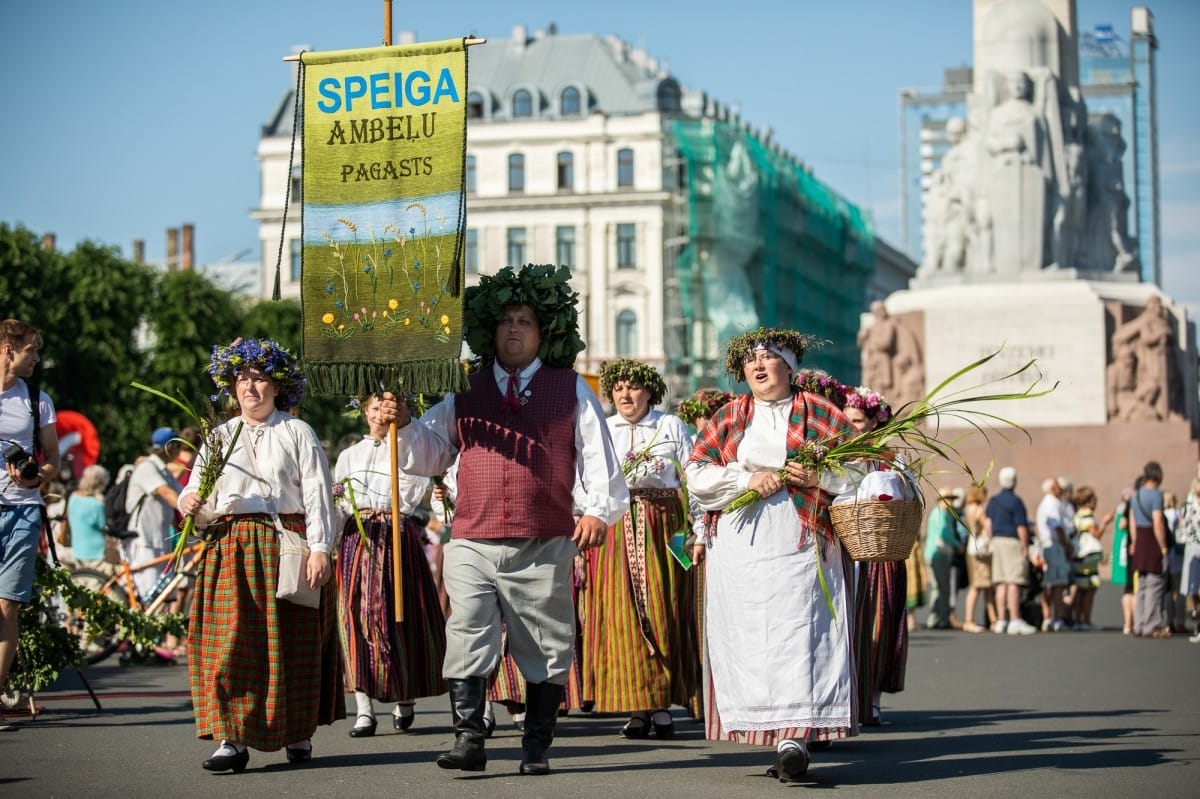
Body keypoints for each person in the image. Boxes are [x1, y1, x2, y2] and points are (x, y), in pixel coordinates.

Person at [377, 264, 629, 776]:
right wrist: (403, 424)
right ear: (491, 330)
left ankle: (535, 746)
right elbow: (430, 454)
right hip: (472, 538)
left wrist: (599, 512)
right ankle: (469, 739)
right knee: (467, 631)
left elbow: (599, 457)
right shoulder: (464, 388)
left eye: (526, 321)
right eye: (506, 320)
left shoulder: (571, 388)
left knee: (547, 645)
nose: (514, 328)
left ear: (544, 333)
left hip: (544, 540)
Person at [685, 327, 858, 785]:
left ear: (790, 366)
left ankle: (794, 740)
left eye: (768, 357)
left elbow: (858, 473)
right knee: (752, 636)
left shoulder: (819, 412)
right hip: (741, 552)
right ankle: (769, 729)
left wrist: (817, 475)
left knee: (799, 631)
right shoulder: (728, 415)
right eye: (751, 360)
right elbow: (697, 476)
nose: (759, 366)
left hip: (800, 546)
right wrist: (746, 481)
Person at [178, 338, 343, 771]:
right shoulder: (219, 436)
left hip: (286, 543)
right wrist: (192, 505)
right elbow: (200, 494)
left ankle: (298, 731)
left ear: (278, 386)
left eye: (260, 378)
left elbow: (316, 494)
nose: (250, 387)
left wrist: (320, 548)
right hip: (231, 545)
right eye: (242, 379)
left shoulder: (297, 431)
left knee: (290, 642)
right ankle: (231, 739)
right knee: (230, 643)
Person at [587, 358, 698, 739]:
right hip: (616, 528)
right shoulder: (603, 428)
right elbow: (586, 479)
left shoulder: (670, 426)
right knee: (622, 615)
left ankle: (663, 703)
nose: (624, 394)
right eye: (618, 389)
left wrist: (695, 531)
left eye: (632, 387)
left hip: (665, 527)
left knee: (666, 607)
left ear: (650, 391)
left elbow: (693, 478)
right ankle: (636, 707)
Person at [333, 393, 447, 738]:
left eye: (387, 407)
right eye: (374, 408)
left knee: (404, 613)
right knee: (356, 616)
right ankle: (364, 708)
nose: (381, 414)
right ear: (365, 413)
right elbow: (338, 501)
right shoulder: (350, 455)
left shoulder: (409, 451)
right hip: (359, 536)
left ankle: (404, 695)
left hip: (397, 534)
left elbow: (416, 488)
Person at [0, 320, 61, 732]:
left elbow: (54, 460)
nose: (37, 358)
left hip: (22, 509)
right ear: (8, 350)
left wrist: (36, 476)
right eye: (31, 350)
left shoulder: (37, 399)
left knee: (7, 606)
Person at [843, 385, 908, 726]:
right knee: (846, 628)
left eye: (857, 420)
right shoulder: (836, 453)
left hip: (878, 551)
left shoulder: (889, 457)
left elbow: (903, 496)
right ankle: (847, 699)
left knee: (878, 626)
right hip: (845, 546)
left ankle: (874, 698)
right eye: (848, 419)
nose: (851, 425)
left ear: (873, 422)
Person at [124, 427, 184, 602]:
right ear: (170, 447)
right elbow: (166, 492)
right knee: (148, 597)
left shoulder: (163, 470)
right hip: (144, 541)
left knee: (164, 595)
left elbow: (181, 494)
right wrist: (189, 511)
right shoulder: (147, 467)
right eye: (177, 446)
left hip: (160, 539)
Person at [984, 466, 1037, 635]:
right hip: (1011, 541)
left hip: (997, 541)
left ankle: (1001, 620)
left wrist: (991, 539)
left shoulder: (993, 501)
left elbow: (988, 523)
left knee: (1001, 582)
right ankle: (1015, 619)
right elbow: (1021, 526)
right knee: (1014, 581)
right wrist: (1024, 545)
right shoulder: (1016, 501)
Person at [1129, 461, 1171, 638]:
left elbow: (1132, 520)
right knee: (1155, 584)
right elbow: (1158, 522)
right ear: (1158, 476)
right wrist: (1163, 547)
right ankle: (1151, 625)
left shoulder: (1136, 495)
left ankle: (1139, 623)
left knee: (1143, 585)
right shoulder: (1155, 496)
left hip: (1139, 540)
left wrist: (1134, 541)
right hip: (1152, 542)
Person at [1034, 477, 1073, 631]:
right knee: (1057, 583)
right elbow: (1057, 526)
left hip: (1049, 545)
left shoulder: (1048, 503)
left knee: (1050, 582)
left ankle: (1049, 617)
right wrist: (1066, 545)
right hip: (1054, 545)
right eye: (1057, 485)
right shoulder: (1051, 503)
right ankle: (1055, 618)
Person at [1069, 486, 1109, 631]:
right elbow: (1096, 534)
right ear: (1089, 500)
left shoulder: (1077, 515)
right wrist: (1104, 523)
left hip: (1080, 555)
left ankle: (1078, 620)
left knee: (1081, 589)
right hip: (1087, 556)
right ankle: (1085, 620)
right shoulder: (1087, 516)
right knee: (1088, 590)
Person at [924, 489, 964, 630]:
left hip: (938, 554)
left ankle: (936, 617)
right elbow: (944, 533)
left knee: (939, 587)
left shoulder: (942, 513)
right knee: (942, 587)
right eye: (948, 498)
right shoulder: (941, 513)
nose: (951, 501)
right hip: (938, 554)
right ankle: (940, 618)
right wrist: (956, 544)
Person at [961, 483, 995, 633]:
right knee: (978, 585)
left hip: (972, 547)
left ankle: (994, 619)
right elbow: (987, 526)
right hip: (980, 550)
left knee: (985, 585)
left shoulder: (968, 508)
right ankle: (969, 620)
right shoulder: (978, 509)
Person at [66, 464, 111, 573]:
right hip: (96, 553)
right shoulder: (96, 504)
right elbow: (104, 527)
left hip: (77, 550)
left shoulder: (73, 498)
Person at [1176, 478, 1200, 643]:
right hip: (1194, 548)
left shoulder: (1188, 506)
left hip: (1192, 549)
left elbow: (1182, 526)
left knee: (1195, 590)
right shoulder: (1189, 506)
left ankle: (1198, 626)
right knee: (1195, 589)